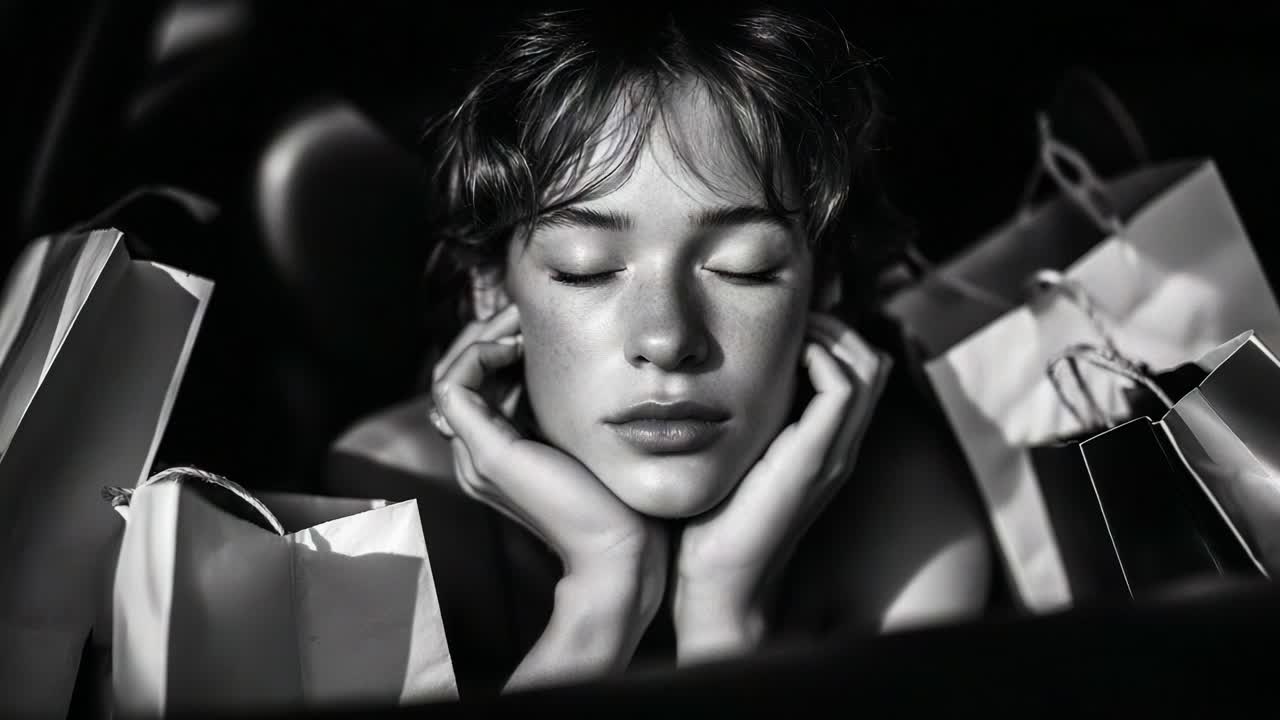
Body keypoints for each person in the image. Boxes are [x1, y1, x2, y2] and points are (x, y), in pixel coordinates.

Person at [327, 2, 993, 699]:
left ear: (822, 286)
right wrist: (599, 601)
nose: (668, 339)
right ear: (492, 289)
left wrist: (724, 616)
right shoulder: (387, 514)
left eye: (744, 265)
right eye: (586, 267)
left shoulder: (908, 516)